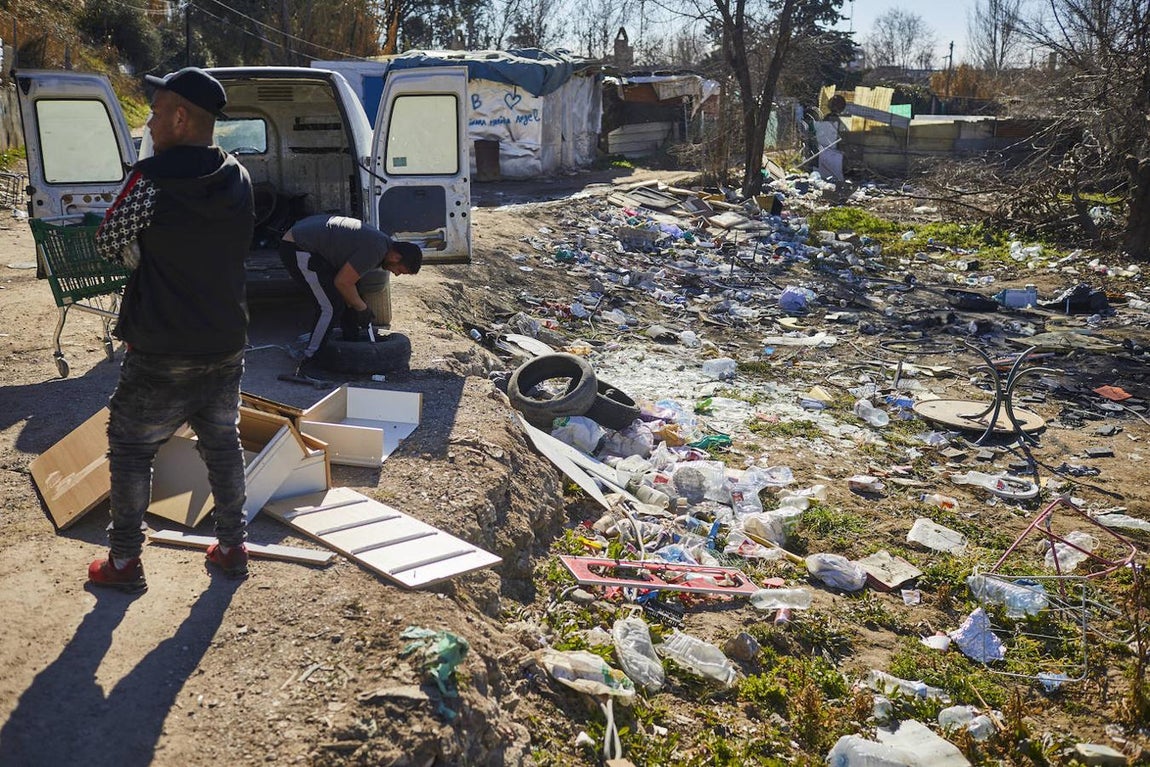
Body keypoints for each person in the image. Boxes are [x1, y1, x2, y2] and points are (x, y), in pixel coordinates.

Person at [88, 67, 256, 592]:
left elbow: (106, 238)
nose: (153, 123)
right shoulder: (237, 175)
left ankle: (123, 562)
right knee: (222, 443)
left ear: (182, 118)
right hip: (225, 341)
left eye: (158, 113)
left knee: (133, 449)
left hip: (161, 345)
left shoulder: (149, 180)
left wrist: (138, 251)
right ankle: (232, 547)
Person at [278, 215, 421, 373]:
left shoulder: (382, 245)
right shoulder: (375, 250)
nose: (396, 274)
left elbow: (350, 284)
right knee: (330, 306)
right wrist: (362, 309)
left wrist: (357, 306)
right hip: (298, 246)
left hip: (313, 247)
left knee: (352, 295)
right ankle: (309, 359)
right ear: (396, 257)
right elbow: (342, 282)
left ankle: (350, 337)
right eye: (399, 270)